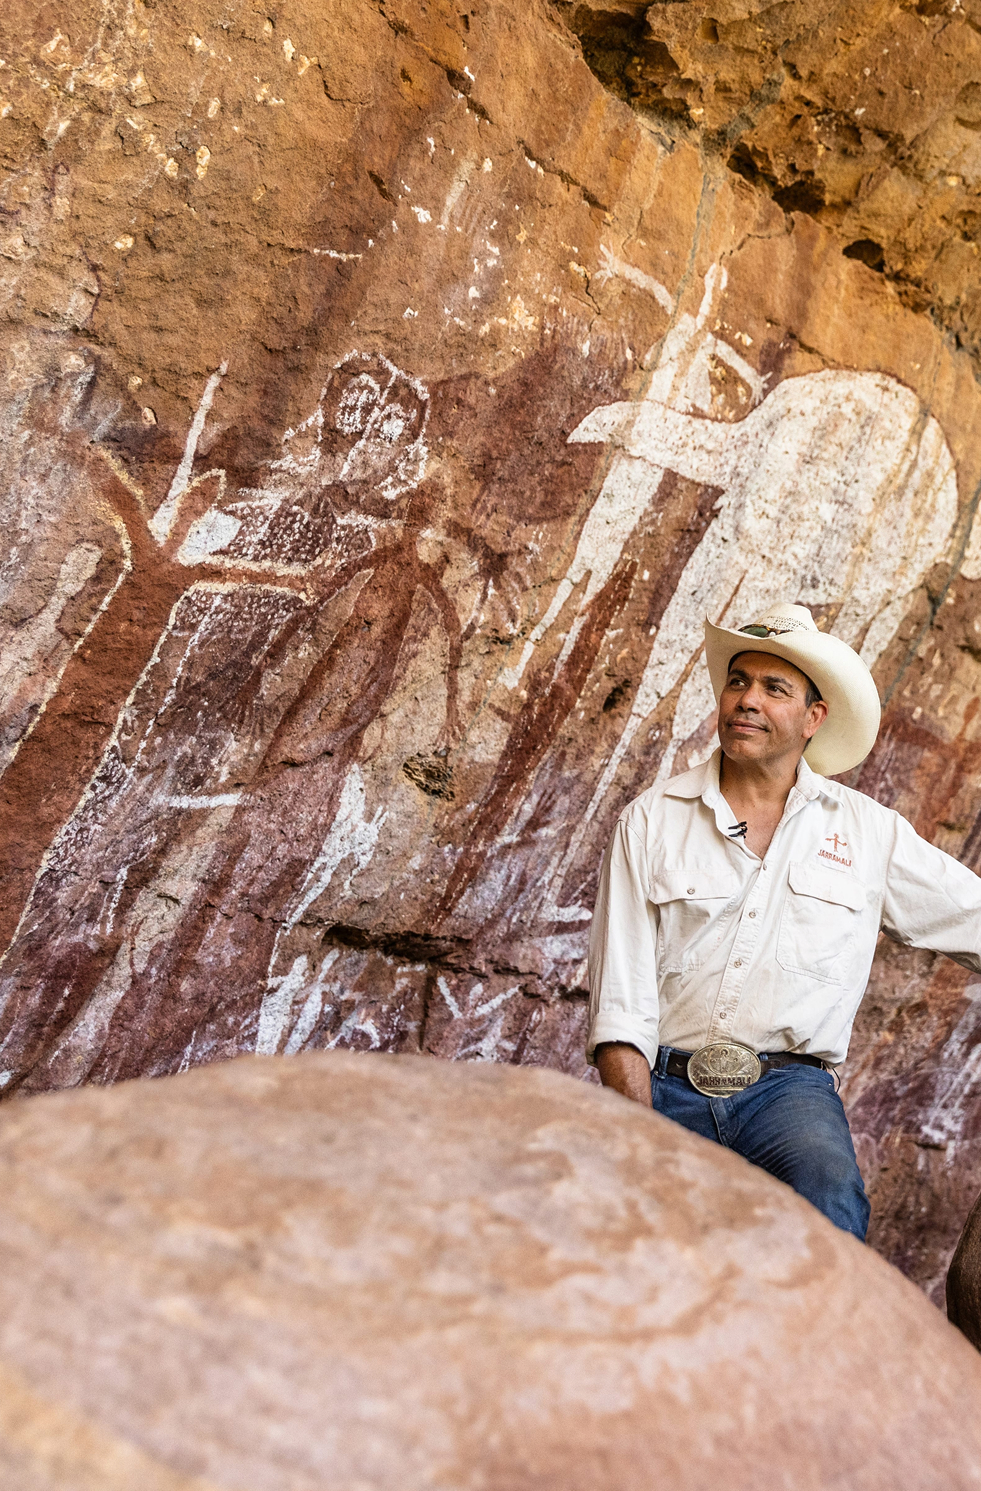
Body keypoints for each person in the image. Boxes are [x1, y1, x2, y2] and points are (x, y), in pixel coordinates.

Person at [587, 602, 981, 1240]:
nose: (747, 700)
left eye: (775, 689)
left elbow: (973, 917)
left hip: (788, 1096)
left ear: (813, 719)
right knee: (616, 1235)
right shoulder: (651, 820)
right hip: (664, 1084)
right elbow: (619, 1009)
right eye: (738, 682)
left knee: (829, 1203)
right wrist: (638, 1141)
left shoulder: (866, 832)